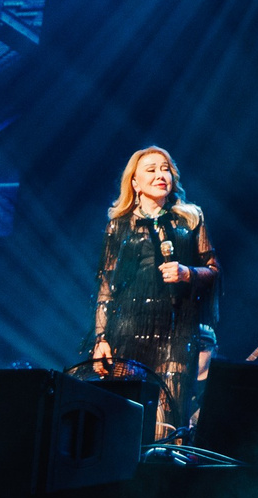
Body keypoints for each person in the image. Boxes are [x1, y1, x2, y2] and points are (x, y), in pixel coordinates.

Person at [91, 147, 219, 440]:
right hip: (127, 330)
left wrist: (188, 273)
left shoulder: (189, 219)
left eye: (165, 169)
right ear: (134, 182)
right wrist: (101, 339)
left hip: (175, 332)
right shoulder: (118, 224)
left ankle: (164, 477)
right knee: (126, 420)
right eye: (151, 170)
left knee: (167, 421)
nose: (161, 175)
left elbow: (214, 270)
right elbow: (106, 287)